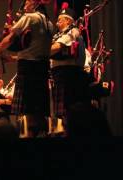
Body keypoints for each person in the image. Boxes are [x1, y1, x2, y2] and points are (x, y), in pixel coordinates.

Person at [0, 0, 53, 137]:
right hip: (42, 68)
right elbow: (35, 48)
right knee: (39, 111)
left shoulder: (30, 18)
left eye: (28, 1)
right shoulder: (49, 23)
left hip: (28, 69)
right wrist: (13, 58)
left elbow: (11, 37)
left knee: (30, 111)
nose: (24, 4)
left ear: (36, 4)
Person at [50, 2, 91, 134]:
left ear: (68, 20)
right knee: (62, 114)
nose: (57, 24)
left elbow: (55, 48)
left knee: (68, 112)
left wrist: (39, 51)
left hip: (67, 76)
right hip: (59, 75)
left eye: (59, 20)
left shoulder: (73, 32)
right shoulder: (58, 35)